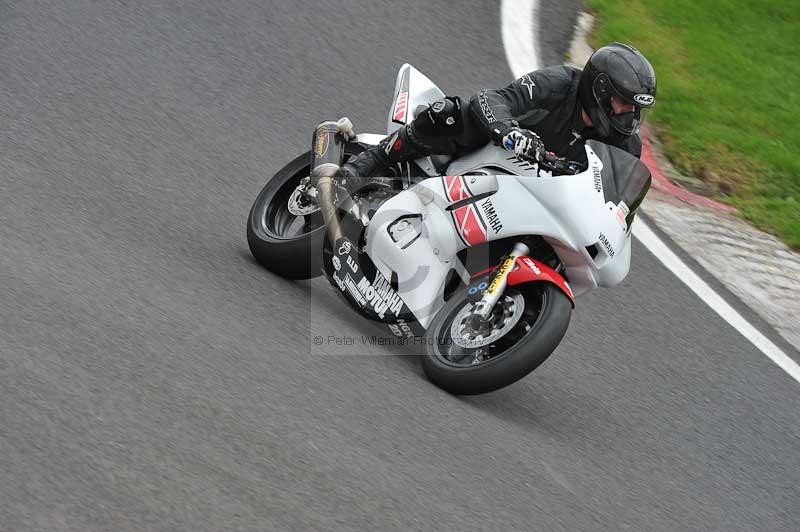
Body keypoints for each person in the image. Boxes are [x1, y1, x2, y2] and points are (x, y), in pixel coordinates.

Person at [341, 42, 657, 184]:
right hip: (489, 153)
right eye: (624, 102)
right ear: (600, 90)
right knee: (453, 113)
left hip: (544, 191)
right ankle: (371, 161)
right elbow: (492, 99)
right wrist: (509, 132)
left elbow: (617, 201)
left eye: (636, 107)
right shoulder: (560, 83)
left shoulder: (626, 144)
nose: (629, 114)